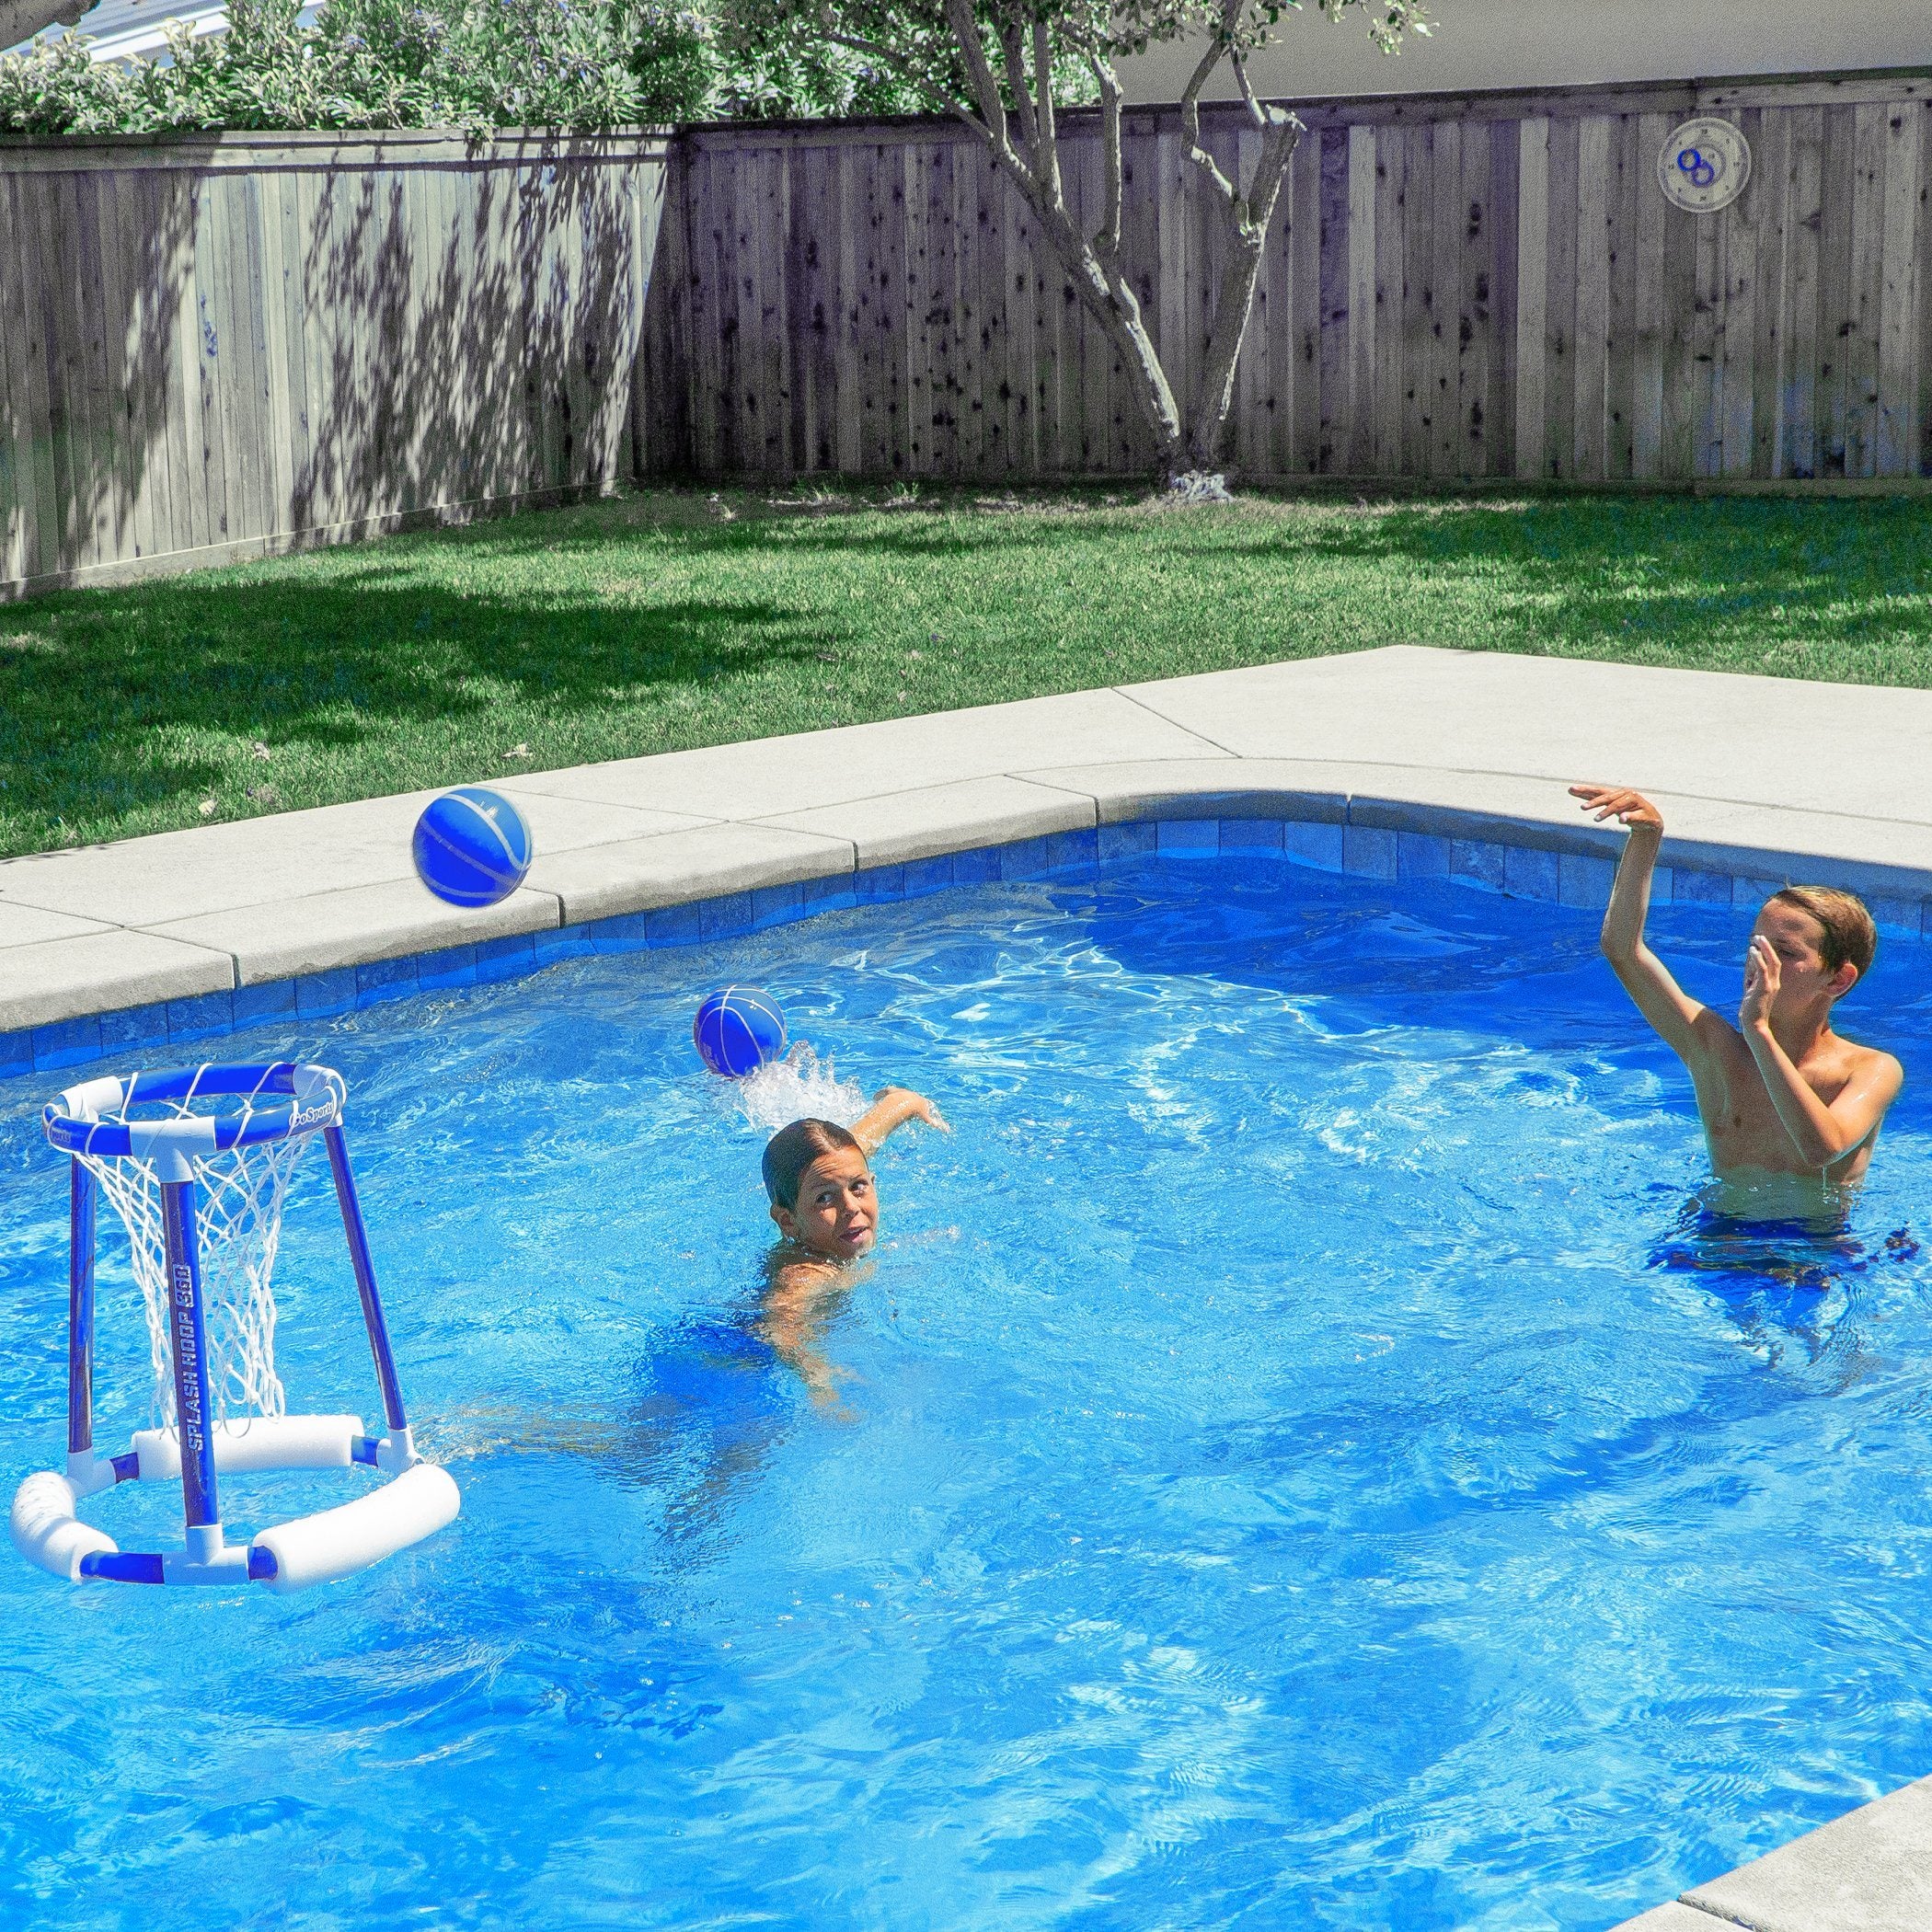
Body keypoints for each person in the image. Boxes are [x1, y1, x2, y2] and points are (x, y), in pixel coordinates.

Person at [1571, 784, 1903, 1200]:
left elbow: (1822, 1148)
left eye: (1784, 951)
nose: (1759, 959)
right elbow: (1622, 949)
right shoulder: (1713, 1047)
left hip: (1816, 1248)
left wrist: (1759, 1029)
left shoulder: (1871, 1070)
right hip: (1719, 1233)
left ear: (1838, 980)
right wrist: (1646, 838)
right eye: (1756, 943)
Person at [757, 1087, 948, 1409]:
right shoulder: (806, 1272)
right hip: (742, 1359)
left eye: (859, 1186)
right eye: (825, 1198)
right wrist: (818, 1380)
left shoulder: (836, 1165)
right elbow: (781, 1322)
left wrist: (903, 1104)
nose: (851, 1208)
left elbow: (858, 1143)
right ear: (788, 1221)